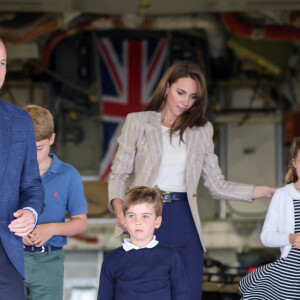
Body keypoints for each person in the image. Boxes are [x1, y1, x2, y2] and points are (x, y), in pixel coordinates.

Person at [108, 60, 276, 299]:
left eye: (193, 96)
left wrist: (264, 191)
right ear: (167, 89)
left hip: (185, 220)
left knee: (186, 292)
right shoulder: (138, 122)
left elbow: (217, 185)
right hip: (146, 216)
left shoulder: (202, 130)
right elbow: (120, 173)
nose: (186, 102)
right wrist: (119, 209)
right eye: (180, 92)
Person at [22, 105, 88, 300]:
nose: (32, 155)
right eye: (25, 148)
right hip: (11, 257)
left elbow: (81, 222)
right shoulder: (9, 171)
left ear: (52, 138)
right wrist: (16, 231)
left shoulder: (69, 175)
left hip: (49, 260)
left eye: (38, 148)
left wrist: (51, 229)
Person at [0, 39, 45, 300]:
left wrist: (30, 212)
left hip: (6, 252)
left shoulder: (20, 120)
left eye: (2, 63)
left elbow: (32, 184)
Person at [98, 186, 189, 300]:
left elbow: (180, 295)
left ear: (157, 222)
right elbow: (104, 297)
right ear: (124, 220)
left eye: (145, 216)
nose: (138, 222)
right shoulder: (112, 259)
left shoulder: (170, 255)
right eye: (132, 216)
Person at [239, 137, 300, 299]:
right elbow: (266, 237)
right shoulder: (283, 195)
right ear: (294, 163)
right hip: (291, 275)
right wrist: (291, 238)